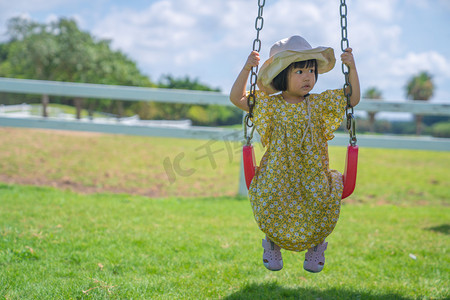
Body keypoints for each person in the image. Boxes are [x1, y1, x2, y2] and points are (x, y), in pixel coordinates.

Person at [230, 35, 360, 273]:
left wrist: (351, 67)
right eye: (299, 72)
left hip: (312, 172)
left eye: (311, 71)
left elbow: (352, 98)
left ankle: (316, 245)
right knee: (270, 196)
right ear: (281, 76)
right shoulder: (271, 105)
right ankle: (272, 242)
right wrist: (247, 68)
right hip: (278, 171)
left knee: (322, 197)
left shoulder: (319, 104)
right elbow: (237, 98)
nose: (308, 76)